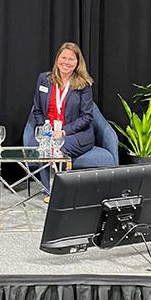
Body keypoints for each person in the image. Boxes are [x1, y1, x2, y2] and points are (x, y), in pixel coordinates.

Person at [27, 42, 94, 198]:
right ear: (58, 59)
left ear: (78, 62)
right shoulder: (44, 79)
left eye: (71, 59)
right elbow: (37, 110)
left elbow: (87, 117)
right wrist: (45, 128)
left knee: (57, 149)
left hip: (76, 134)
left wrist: (63, 132)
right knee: (45, 146)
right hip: (50, 131)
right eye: (63, 57)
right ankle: (50, 191)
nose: (66, 62)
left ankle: (59, 194)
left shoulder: (84, 84)